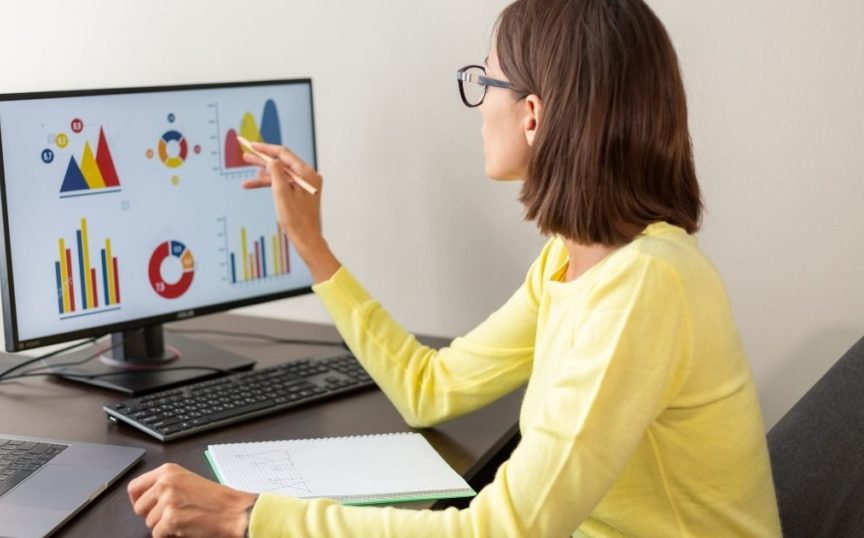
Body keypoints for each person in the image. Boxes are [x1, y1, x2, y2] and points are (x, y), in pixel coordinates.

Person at [127, 0, 782, 536]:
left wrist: (252, 517)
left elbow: (503, 532)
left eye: (485, 81)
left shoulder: (644, 286)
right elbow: (429, 388)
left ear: (532, 115)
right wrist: (311, 245)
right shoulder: (572, 260)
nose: (477, 105)